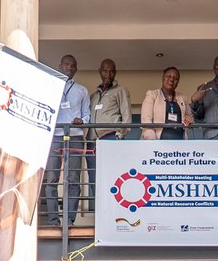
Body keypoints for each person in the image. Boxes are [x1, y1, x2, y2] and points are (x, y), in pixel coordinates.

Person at [42, 55, 91, 226]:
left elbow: (87, 115)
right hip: (54, 136)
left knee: (73, 179)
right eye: (66, 64)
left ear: (76, 68)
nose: (69, 67)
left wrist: (82, 121)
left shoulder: (82, 90)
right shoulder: (50, 88)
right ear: (60, 66)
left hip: (75, 136)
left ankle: (69, 220)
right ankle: (54, 220)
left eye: (73, 65)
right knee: (52, 178)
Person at [86, 58, 131, 192]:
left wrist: (119, 136)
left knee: (112, 177)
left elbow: (127, 117)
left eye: (111, 71)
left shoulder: (120, 90)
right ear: (100, 72)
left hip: (111, 138)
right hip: (93, 142)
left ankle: (112, 212)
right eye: (105, 71)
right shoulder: (94, 95)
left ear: (115, 73)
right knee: (94, 178)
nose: (108, 74)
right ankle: (99, 211)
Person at [140, 67, 192, 139]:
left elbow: (190, 118)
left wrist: (188, 120)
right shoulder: (152, 94)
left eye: (175, 78)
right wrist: (151, 141)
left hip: (180, 142)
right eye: (168, 76)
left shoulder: (183, 98)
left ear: (178, 82)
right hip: (157, 142)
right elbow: (146, 120)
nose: (171, 79)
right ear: (163, 78)